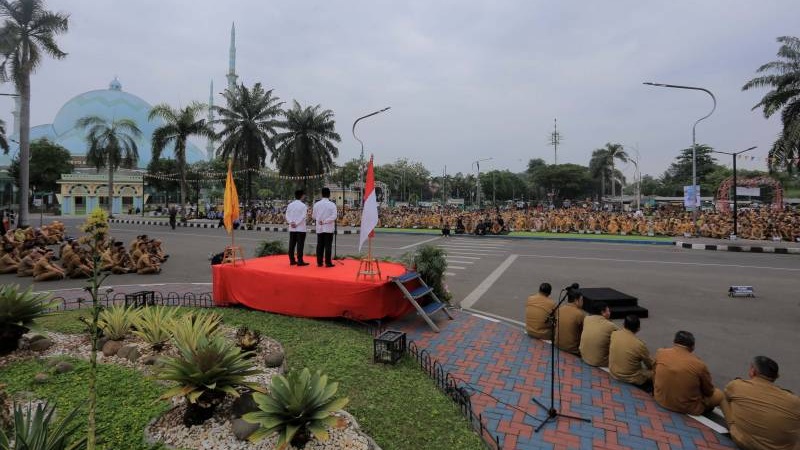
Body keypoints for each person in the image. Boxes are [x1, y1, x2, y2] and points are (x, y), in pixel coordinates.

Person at [720, 356, 799, 450]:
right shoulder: (794, 401)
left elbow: (727, 398)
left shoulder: (736, 385)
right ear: (776, 376)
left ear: (752, 372)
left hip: (742, 442)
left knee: (722, 397)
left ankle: (734, 427)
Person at [654, 331, 724, 415]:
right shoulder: (699, 365)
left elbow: (654, 373)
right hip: (685, 407)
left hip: (659, 399)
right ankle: (733, 425)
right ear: (692, 347)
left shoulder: (661, 352)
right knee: (720, 395)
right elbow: (709, 391)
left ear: (674, 342)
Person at [609, 315, 654, 392]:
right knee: (655, 374)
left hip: (613, 372)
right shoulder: (639, 344)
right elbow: (650, 364)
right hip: (630, 378)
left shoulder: (614, 334)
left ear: (623, 324)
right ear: (638, 329)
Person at [579, 301, 618, 367]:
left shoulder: (587, 318)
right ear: (603, 312)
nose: (610, 312)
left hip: (584, 356)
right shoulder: (611, 325)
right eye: (608, 311)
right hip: (599, 362)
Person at [554, 286, 586, 356]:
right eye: (582, 300)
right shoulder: (579, 314)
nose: (583, 302)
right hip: (572, 349)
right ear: (576, 301)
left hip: (557, 344)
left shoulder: (560, 309)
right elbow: (584, 333)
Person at [312, 187, 337, 268]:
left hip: (319, 227)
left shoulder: (316, 204)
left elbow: (313, 216)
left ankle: (319, 262)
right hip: (328, 228)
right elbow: (334, 216)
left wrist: (321, 220)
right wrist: (325, 221)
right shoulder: (332, 204)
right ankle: (328, 262)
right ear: (329, 194)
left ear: (321, 194)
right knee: (328, 245)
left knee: (320, 245)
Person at [285, 189, 309, 266]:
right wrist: (297, 223)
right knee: (300, 245)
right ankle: (300, 261)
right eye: (304, 195)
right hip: (300, 228)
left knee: (291, 244)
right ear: (302, 196)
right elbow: (303, 217)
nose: (304, 196)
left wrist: (291, 222)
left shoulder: (290, 205)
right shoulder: (303, 205)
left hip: (292, 228)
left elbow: (286, 215)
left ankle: (292, 260)